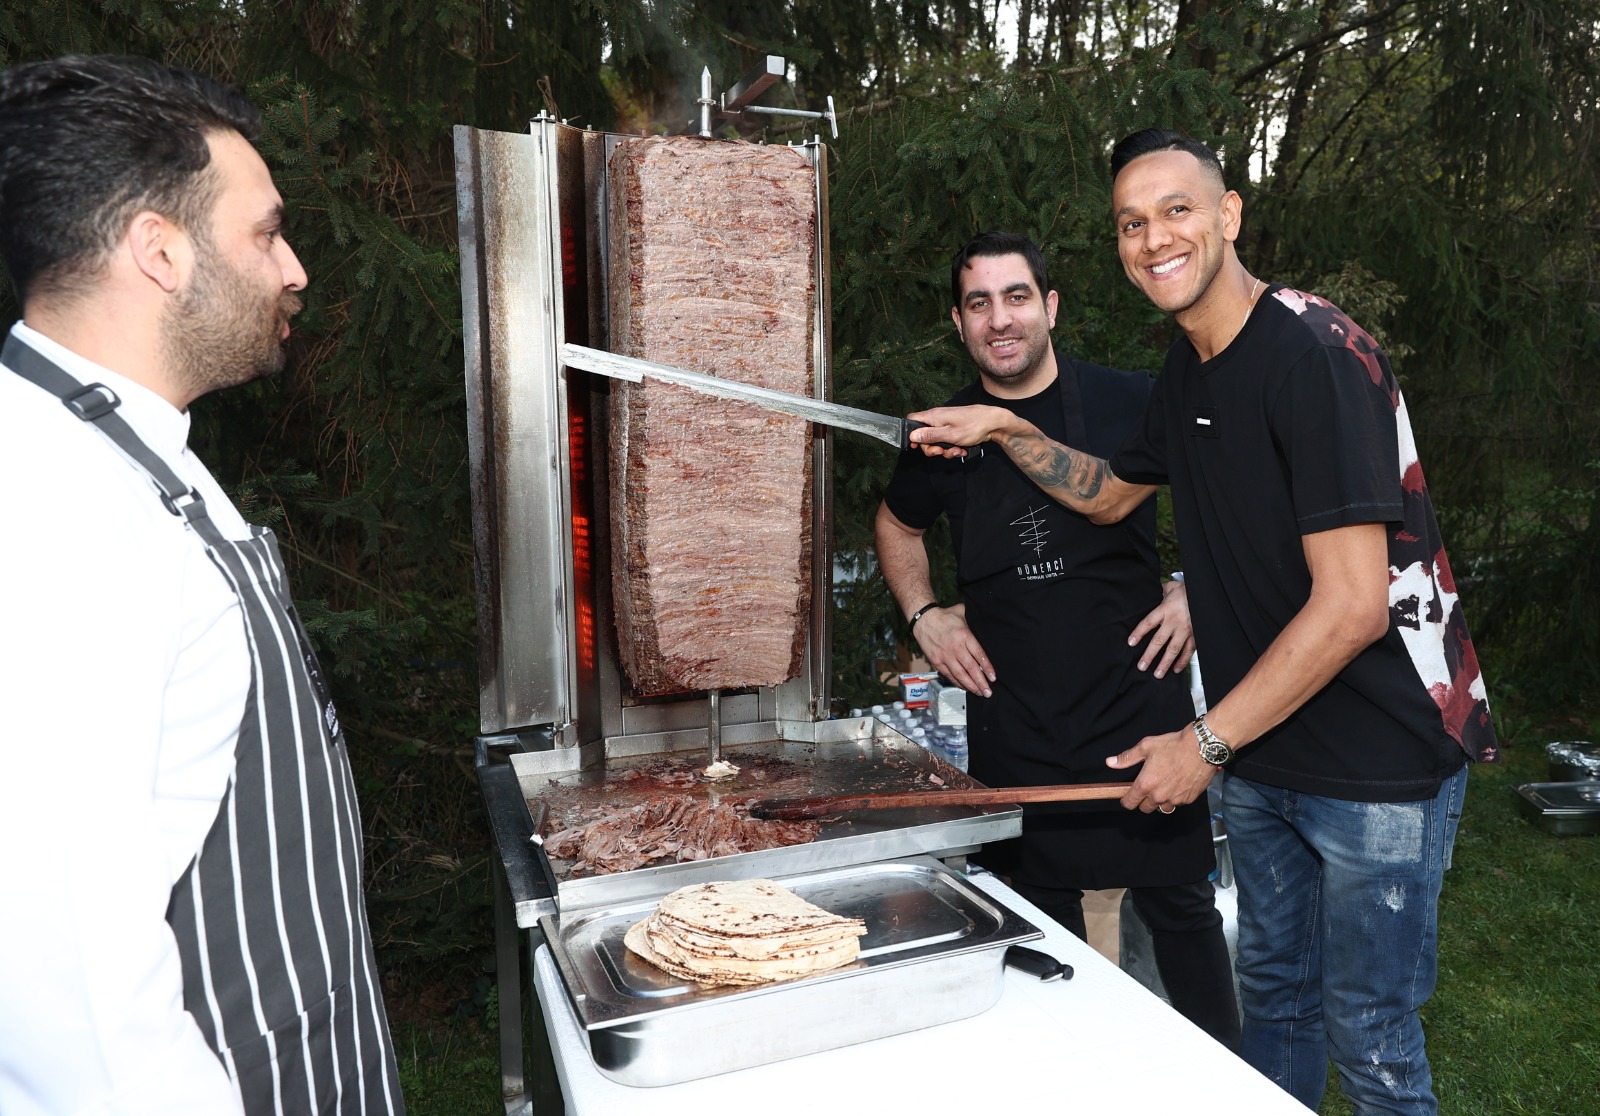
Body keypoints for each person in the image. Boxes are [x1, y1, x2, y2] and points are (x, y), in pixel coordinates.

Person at [906, 133, 1496, 1114]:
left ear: (1228, 216)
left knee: (1374, 1045)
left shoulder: (1311, 352)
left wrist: (1204, 742)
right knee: (1273, 1013)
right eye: (1131, 223)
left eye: (1176, 209)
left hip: (1375, 759)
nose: (1152, 238)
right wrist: (1009, 428)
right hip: (1269, 761)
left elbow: (1352, 606)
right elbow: (1103, 494)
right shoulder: (1188, 372)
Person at [0, 56, 404, 1115]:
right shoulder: (58, 506)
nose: (295, 267)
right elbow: (70, 991)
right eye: (267, 232)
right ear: (160, 249)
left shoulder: (135, 454)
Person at [875, 231, 1240, 1048]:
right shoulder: (941, 431)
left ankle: (1226, 1079)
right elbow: (897, 525)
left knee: (1180, 906)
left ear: (1050, 307)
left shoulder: (1131, 399)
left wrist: (1196, 590)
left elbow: (1238, 496)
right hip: (1017, 715)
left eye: (1015, 297)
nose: (998, 320)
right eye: (978, 303)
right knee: (1034, 928)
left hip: (1135, 699)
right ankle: (1065, 1073)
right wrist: (925, 614)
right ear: (959, 323)